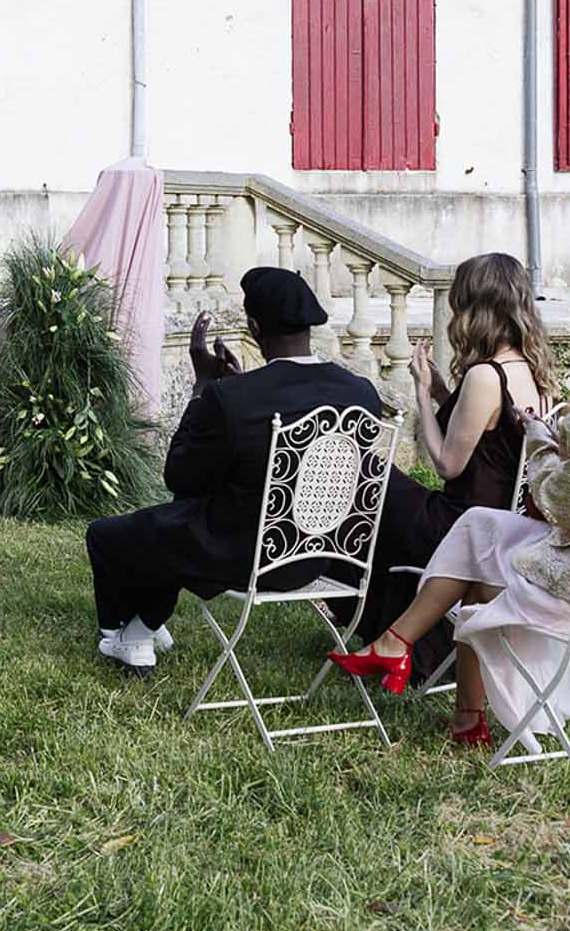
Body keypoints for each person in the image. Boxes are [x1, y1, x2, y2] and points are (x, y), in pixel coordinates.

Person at [331, 282, 570, 747]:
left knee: (374, 486)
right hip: (556, 554)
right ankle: (450, 703)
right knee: (475, 531)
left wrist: (540, 442)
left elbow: (563, 507)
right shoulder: (540, 377)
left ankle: (385, 634)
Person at [86, 267, 384, 672]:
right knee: (170, 524)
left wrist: (204, 389)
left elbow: (179, 476)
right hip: (319, 556)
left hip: (242, 557)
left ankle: (127, 636)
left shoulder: (234, 398)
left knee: (108, 534)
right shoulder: (361, 393)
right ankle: (146, 623)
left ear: (254, 327)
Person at [350, 252, 554, 684]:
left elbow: (447, 464)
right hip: (503, 526)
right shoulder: (534, 371)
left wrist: (422, 394)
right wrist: (446, 393)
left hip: (461, 529)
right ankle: (400, 638)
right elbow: (492, 442)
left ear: (474, 308)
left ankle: (374, 627)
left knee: (367, 476)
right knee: (383, 505)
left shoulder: (484, 375)